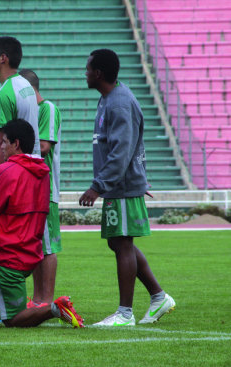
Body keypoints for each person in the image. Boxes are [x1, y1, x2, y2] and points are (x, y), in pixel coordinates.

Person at [0, 119, 83, 328]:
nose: (1, 146)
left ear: (16, 144)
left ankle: (54, 308)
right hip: (30, 251)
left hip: (7, 254)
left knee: (11, 320)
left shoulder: (5, 171)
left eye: (4, 142)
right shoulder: (41, 171)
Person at [79, 49, 176, 326]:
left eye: (88, 68)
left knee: (122, 243)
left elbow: (121, 151)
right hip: (121, 184)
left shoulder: (119, 103)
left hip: (119, 185)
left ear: (98, 73)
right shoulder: (110, 99)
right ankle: (158, 296)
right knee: (118, 242)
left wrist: (98, 186)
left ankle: (125, 313)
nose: (85, 73)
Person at [19, 69, 62, 307]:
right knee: (36, 244)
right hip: (30, 189)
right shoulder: (31, 112)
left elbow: (44, 146)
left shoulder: (48, 109)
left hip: (45, 189)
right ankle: (37, 298)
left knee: (47, 245)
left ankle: (46, 299)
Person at [0, 36, 40, 187]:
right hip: (29, 172)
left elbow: (1, 143)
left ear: (3, 58)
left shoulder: (4, 93)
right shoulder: (26, 86)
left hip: (10, 179)